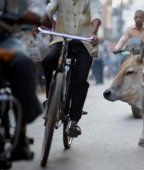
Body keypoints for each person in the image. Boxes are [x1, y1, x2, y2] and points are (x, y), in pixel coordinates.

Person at [42, 0, 102, 137]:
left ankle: (74, 121)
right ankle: (50, 100)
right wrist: (38, 21)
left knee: (80, 79)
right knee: (48, 60)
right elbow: (49, 10)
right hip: (62, 39)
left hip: (84, 41)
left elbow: (96, 15)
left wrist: (94, 32)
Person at [0, 0, 45, 160]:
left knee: (24, 62)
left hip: (5, 38)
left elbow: (38, 8)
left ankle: (21, 135)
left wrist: (29, 15)